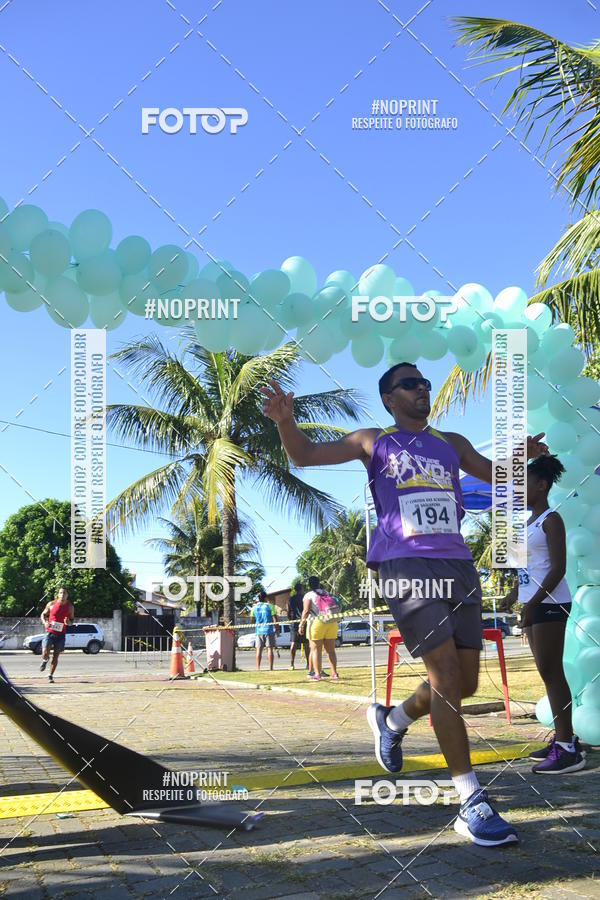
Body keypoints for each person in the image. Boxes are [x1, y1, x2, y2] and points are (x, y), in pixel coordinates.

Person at [262, 362, 548, 846]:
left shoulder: (452, 443)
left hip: (458, 565)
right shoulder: (373, 441)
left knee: (464, 683)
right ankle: (470, 802)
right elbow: (305, 455)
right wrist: (285, 422)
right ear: (389, 398)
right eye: (410, 384)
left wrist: (520, 458)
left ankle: (392, 720)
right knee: (446, 676)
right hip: (405, 565)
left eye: (425, 383)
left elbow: (497, 476)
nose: (422, 389)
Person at [502, 455, 585, 774]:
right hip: (535, 602)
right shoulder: (527, 524)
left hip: (551, 602)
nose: (518, 489)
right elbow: (528, 569)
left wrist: (532, 603)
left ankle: (567, 749)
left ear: (541, 485)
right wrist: (514, 595)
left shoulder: (552, 519)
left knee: (552, 672)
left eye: (523, 483)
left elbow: (558, 569)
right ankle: (564, 738)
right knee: (546, 672)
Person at [298, 576, 340, 681]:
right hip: (331, 622)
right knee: (331, 650)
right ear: (318, 583)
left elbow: (306, 611)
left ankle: (317, 674)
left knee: (315, 649)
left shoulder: (309, 595)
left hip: (317, 622)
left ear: (309, 585)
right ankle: (334, 673)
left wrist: (301, 624)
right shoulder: (326, 593)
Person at [40, 587, 74, 683]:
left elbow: (71, 620)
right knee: (45, 652)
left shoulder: (70, 607)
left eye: (64, 593)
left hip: (61, 634)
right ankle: (45, 661)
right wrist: (45, 622)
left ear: (67, 595)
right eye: (61, 593)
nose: (62, 595)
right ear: (58, 594)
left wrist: (68, 622)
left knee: (55, 656)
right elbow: (43, 615)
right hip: (50, 632)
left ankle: (50, 675)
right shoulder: (51, 604)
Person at [251, 589, 279, 671]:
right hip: (269, 630)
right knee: (269, 649)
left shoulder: (254, 607)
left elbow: (252, 620)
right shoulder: (270, 606)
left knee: (258, 650)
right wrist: (277, 629)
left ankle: (258, 668)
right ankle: (271, 668)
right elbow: (275, 619)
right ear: (266, 598)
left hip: (258, 631)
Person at [288, 582, 309, 669]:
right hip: (304, 621)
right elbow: (307, 610)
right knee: (306, 644)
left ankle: (292, 664)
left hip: (294, 623)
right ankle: (308, 664)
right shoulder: (305, 598)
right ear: (301, 589)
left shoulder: (291, 599)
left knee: (293, 644)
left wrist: (290, 619)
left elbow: (288, 611)